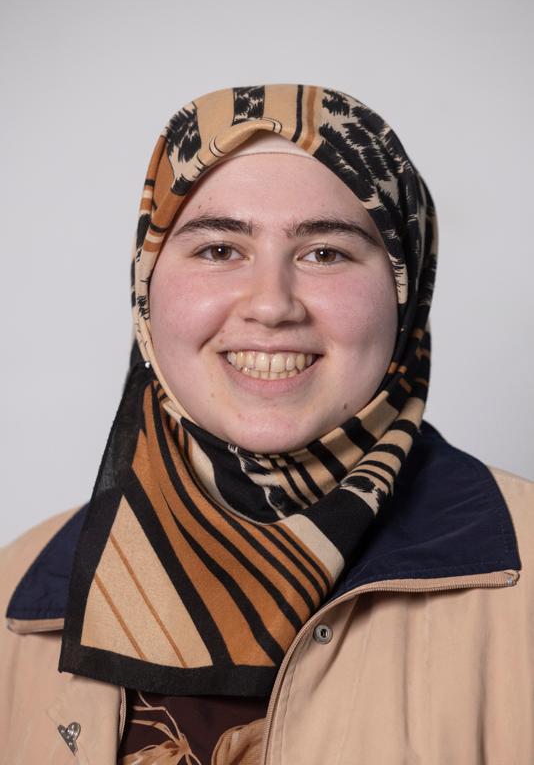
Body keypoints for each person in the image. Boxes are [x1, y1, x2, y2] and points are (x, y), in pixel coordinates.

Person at [1, 84, 533, 765]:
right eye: (220, 250)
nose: (272, 304)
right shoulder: (13, 598)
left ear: (406, 290)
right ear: (146, 288)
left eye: (325, 253)